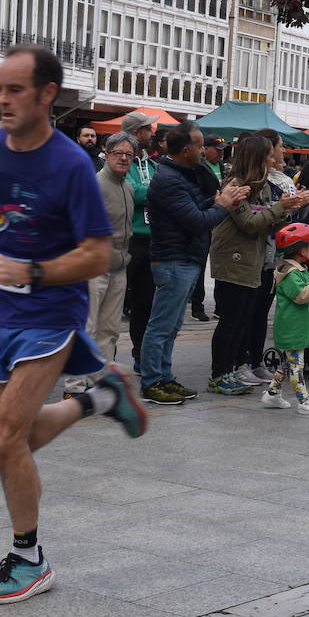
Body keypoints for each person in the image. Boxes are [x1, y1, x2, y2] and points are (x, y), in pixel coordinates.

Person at [0, 43, 147, 605]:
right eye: (0, 88)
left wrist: (29, 270)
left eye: (16, 89)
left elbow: (96, 253)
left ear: (47, 95)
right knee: (3, 444)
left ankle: (29, 558)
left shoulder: (71, 164)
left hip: (52, 312)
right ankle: (99, 399)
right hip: (0, 310)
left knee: (3, 436)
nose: (4, 98)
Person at [140, 123, 246, 402]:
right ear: (186, 150)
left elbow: (197, 209)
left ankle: (164, 377)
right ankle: (151, 382)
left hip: (185, 258)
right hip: (174, 259)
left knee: (172, 326)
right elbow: (198, 222)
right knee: (161, 326)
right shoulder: (170, 179)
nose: (203, 150)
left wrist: (220, 198)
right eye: (199, 146)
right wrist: (222, 204)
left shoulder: (183, 175)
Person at [207, 135, 309, 395]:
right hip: (233, 259)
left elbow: (268, 223)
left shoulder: (262, 186)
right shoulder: (235, 185)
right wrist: (279, 207)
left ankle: (230, 371)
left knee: (242, 319)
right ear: (257, 157)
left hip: (252, 259)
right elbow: (250, 223)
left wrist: (291, 208)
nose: (274, 158)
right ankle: (218, 375)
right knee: (230, 320)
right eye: (269, 154)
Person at [62, 133, 135, 399]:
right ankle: (74, 387)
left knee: (109, 330)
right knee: (87, 327)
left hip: (119, 266)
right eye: (118, 152)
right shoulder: (94, 184)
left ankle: (99, 382)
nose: (124, 158)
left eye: (129, 154)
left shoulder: (127, 186)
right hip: (93, 267)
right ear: (106, 153)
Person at [265, 223, 309, 415]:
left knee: (288, 363)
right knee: (296, 367)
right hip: (292, 328)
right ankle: (304, 401)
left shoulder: (297, 270)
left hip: (297, 327)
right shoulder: (290, 274)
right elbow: (301, 295)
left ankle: (272, 394)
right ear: (302, 250)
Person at [123, 110, 159, 368]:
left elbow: (156, 193)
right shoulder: (121, 162)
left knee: (145, 302)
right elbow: (132, 193)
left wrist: (152, 193)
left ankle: (140, 354)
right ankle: (103, 359)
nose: (153, 133)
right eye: (148, 129)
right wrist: (155, 192)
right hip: (128, 239)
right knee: (113, 302)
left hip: (152, 240)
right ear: (137, 133)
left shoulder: (154, 164)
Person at [189, 134, 227, 323]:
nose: (220, 154)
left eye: (222, 151)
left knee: (219, 264)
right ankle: (197, 305)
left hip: (219, 220)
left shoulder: (221, 167)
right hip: (205, 216)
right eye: (217, 150)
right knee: (200, 264)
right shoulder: (199, 167)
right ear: (206, 149)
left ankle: (219, 305)